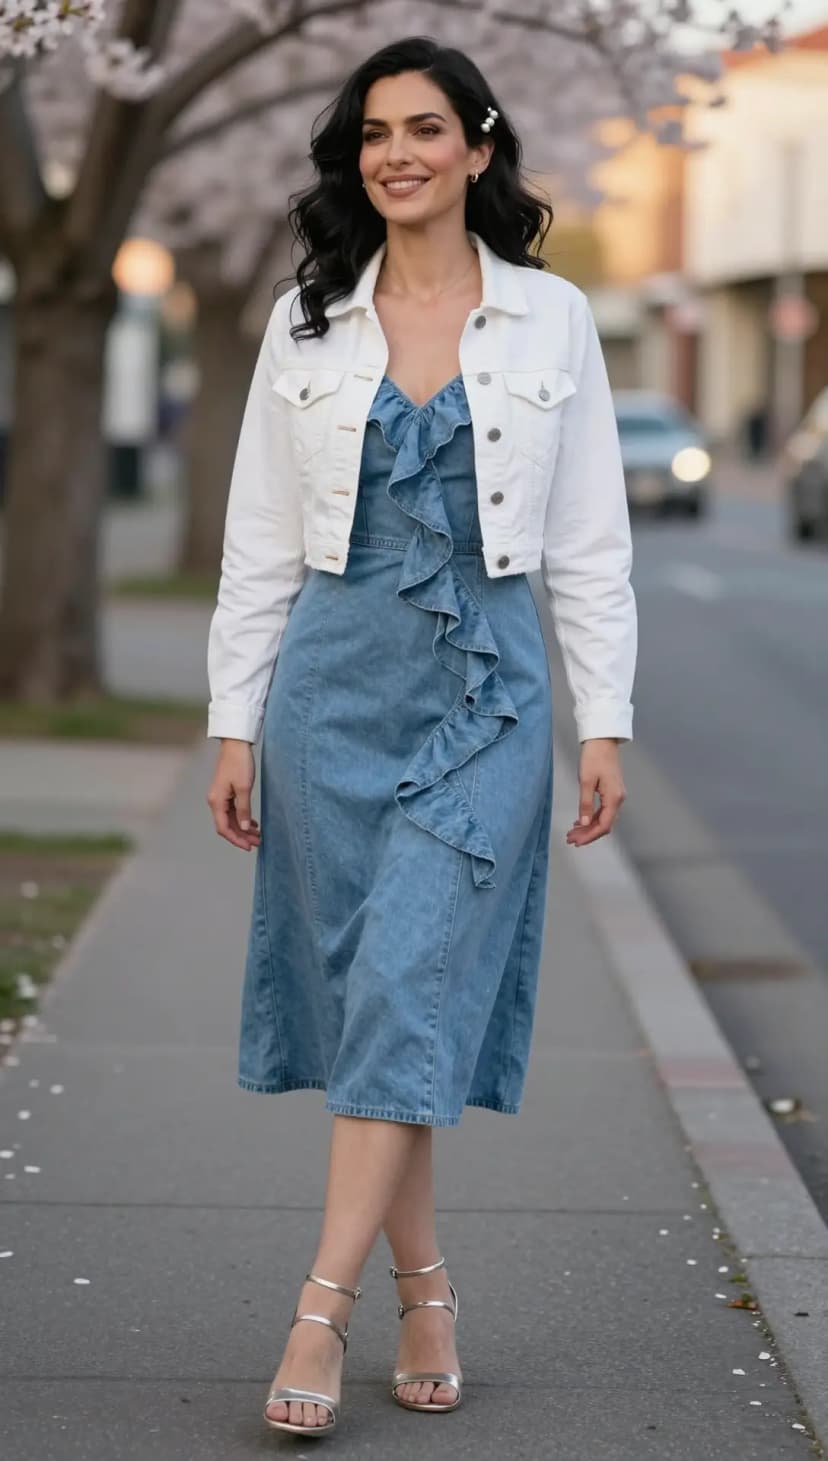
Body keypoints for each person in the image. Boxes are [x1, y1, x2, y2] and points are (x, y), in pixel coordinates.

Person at [205, 35, 636, 1441]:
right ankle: (429, 1290)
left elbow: (589, 541)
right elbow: (258, 538)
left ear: (482, 148)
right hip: (330, 695)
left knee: (407, 975)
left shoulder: (551, 319)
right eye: (374, 132)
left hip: (490, 701)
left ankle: (317, 1308)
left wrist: (605, 718)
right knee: (391, 1005)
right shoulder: (308, 320)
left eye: (426, 129)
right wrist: (232, 721)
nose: (397, 153)